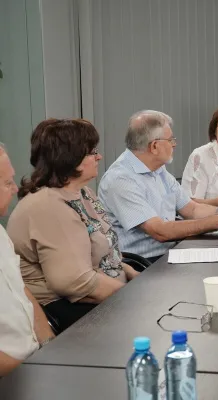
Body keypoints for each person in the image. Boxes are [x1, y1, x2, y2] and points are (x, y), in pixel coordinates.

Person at [7, 119, 139, 330]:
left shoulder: (83, 192)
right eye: (92, 152)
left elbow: (104, 253)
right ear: (71, 158)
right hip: (65, 309)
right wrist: (137, 296)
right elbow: (75, 282)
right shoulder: (48, 205)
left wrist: (134, 275)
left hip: (103, 294)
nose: (99, 156)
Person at [98, 110, 218, 261]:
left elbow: (192, 209)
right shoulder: (120, 180)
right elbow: (160, 231)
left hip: (171, 252)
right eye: (171, 140)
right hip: (144, 263)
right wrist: (217, 221)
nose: (174, 144)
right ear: (155, 146)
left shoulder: (158, 170)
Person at [0, 143, 55, 376]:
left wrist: (51, 347)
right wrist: (32, 374)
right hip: (13, 376)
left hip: (34, 361)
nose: (15, 189)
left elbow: (21, 291)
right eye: (7, 183)